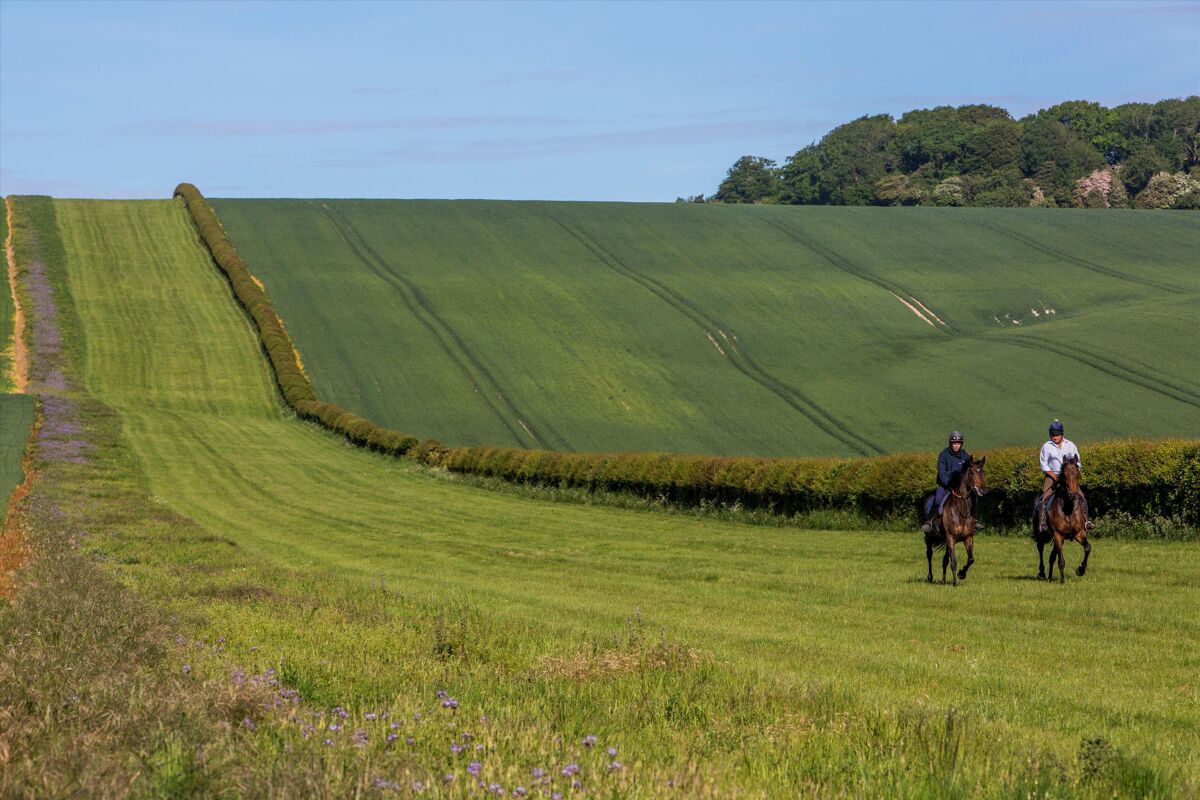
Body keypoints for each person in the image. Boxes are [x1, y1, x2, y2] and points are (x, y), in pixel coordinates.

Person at [1037, 419, 1093, 534]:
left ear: (1062, 434)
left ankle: (1087, 521)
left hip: (1068, 477)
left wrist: (1071, 473)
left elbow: (1078, 463)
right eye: (1052, 435)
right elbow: (1043, 464)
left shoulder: (1071, 446)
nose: (1054, 437)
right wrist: (1054, 476)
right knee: (1045, 498)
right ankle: (1042, 523)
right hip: (1052, 476)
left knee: (1081, 497)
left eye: (1056, 435)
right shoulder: (1046, 447)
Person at [922, 431, 970, 534]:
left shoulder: (965, 456)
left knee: (973, 498)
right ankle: (930, 521)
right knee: (938, 498)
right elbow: (942, 473)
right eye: (954, 443)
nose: (956, 445)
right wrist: (950, 483)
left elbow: (968, 472)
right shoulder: (943, 455)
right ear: (950, 443)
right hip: (945, 485)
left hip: (960, 487)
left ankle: (974, 520)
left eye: (958, 443)